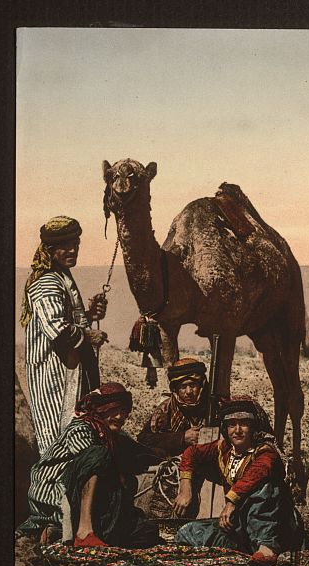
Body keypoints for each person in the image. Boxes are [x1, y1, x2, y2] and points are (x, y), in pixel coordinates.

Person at [19, 383, 161, 548]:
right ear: (102, 410)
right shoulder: (80, 429)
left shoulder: (112, 436)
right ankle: (84, 531)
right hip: (57, 496)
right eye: (114, 411)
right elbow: (94, 463)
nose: (120, 417)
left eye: (124, 412)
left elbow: (143, 454)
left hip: (87, 500)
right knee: (98, 455)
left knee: (146, 531)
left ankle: (60, 533)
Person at [172, 396, 302, 566]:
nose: (238, 430)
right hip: (238, 525)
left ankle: (267, 549)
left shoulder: (266, 451)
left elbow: (257, 473)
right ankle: (243, 550)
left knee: (263, 488)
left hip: (275, 526)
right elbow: (191, 454)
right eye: (232, 424)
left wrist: (232, 500)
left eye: (244, 424)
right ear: (225, 429)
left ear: (253, 427)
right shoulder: (223, 449)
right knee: (187, 533)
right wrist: (185, 489)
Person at [20, 216, 108, 454]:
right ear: (49, 250)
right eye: (65, 246)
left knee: (76, 435)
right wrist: (89, 336)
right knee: (57, 438)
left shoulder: (62, 276)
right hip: (54, 375)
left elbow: (66, 321)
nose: (72, 250)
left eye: (76, 244)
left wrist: (89, 314)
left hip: (70, 372)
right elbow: (58, 331)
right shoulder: (46, 282)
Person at [137, 357, 212, 458]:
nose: (189, 391)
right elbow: (144, 439)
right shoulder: (165, 409)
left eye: (193, 385)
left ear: (202, 385)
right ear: (175, 389)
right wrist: (181, 438)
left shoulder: (213, 406)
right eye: (183, 387)